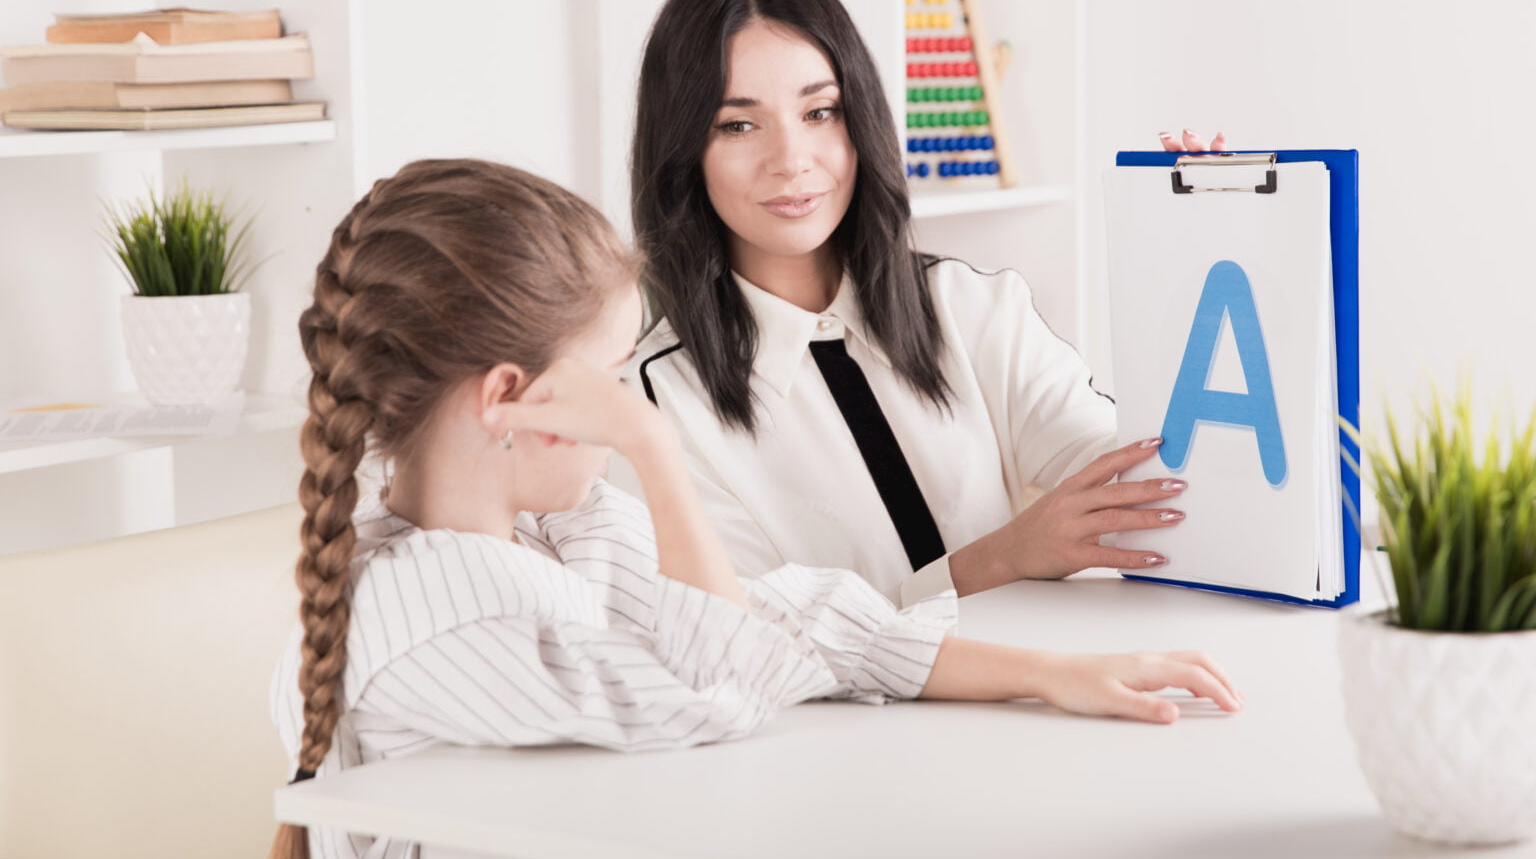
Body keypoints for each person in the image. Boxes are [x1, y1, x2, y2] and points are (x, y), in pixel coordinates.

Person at [269, 159, 1241, 859]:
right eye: (611, 380)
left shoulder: (553, 535)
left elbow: (786, 616)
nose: (627, 409)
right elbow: (717, 685)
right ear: (510, 398)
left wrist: (1048, 673)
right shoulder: (434, 615)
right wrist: (656, 453)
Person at [627, 0, 1227, 606]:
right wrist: (999, 558)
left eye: (821, 112)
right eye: (737, 124)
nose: (792, 160)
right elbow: (754, 633)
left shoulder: (970, 306)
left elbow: (1129, 476)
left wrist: (1196, 264)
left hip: (1042, 694)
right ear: (684, 150)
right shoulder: (653, 401)